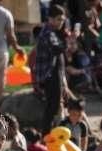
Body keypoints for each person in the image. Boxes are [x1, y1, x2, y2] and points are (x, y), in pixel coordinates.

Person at [34, 5, 68, 134]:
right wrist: (69, 40)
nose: (61, 22)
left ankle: (48, 134)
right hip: (49, 75)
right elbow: (57, 49)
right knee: (52, 106)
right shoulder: (48, 32)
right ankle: (46, 135)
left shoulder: (51, 32)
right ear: (50, 19)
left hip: (51, 74)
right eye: (59, 19)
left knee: (53, 105)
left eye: (63, 20)